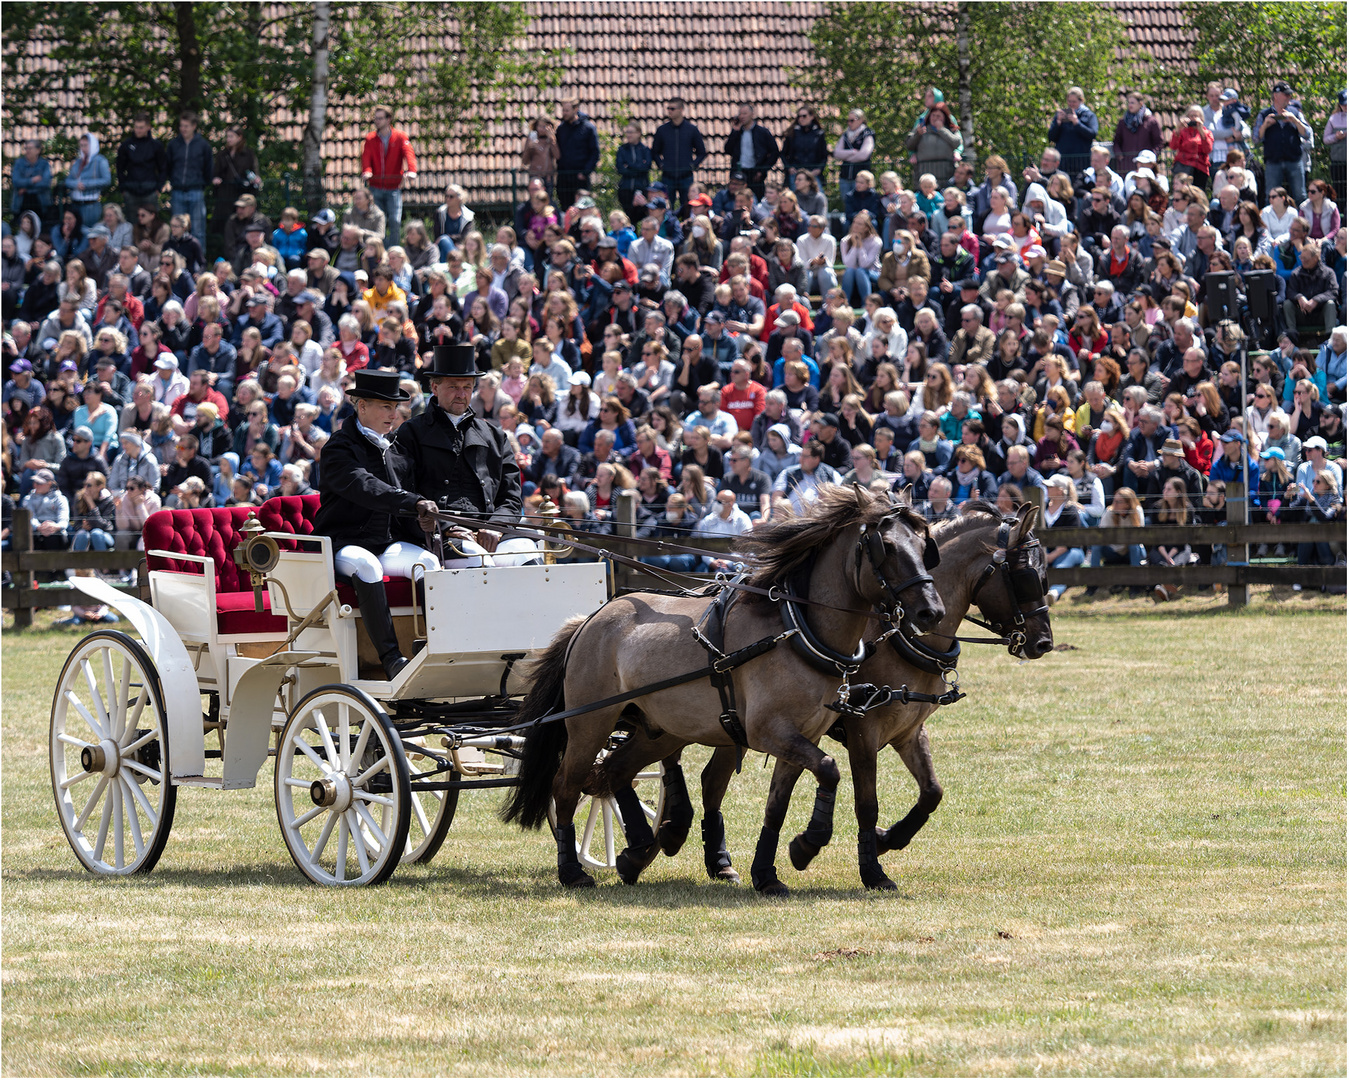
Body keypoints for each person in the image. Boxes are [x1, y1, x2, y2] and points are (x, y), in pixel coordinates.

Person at [312, 368, 435, 680]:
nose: (392, 414)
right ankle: (391, 658)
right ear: (361, 406)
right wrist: (412, 501)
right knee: (367, 566)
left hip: (386, 544)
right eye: (385, 406)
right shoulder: (339, 448)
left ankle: (438, 648)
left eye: (395, 408)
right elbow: (366, 487)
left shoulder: (396, 450)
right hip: (342, 543)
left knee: (428, 563)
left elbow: (410, 497)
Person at [393, 344, 539, 569]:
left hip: (492, 534)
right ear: (434, 387)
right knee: (481, 565)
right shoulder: (411, 433)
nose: (461, 394)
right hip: (440, 535)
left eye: (467, 387)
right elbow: (403, 495)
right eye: (453, 386)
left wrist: (495, 527)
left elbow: (510, 498)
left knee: (530, 558)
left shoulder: (494, 436)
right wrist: (444, 527)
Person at [360, 104, 417, 248]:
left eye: (380, 118)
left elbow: (409, 154)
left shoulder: (400, 137)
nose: (377, 121)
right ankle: (378, 250)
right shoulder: (371, 138)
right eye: (376, 119)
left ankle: (394, 249)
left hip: (393, 188)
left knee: (395, 220)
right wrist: (367, 171)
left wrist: (411, 170)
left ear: (388, 119)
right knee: (377, 221)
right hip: (375, 187)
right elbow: (366, 157)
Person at [1254, 80, 1311, 205]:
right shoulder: (1264, 114)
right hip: (1273, 161)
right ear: (1276, 95)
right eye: (1286, 94)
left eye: (1289, 94)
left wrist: (1295, 121)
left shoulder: (1295, 113)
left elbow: (1307, 133)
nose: (1289, 97)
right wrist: (1265, 125)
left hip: (1294, 161)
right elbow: (1256, 139)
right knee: (1271, 196)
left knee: (1300, 196)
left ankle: (1302, 223)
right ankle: (1270, 224)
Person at [724, 103, 778, 200]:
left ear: (752, 114)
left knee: (757, 197)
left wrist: (762, 170)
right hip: (740, 171)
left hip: (756, 172)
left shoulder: (762, 132)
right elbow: (728, 150)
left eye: (745, 114)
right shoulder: (738, 132)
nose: (742, 117)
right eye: (740, 114)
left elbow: (774, 152)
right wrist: (734, 131)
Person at [554, 98, 600, 211]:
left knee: (583, 208)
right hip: (564, 177)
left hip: (580, 178)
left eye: (567, 111)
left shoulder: (588, 128)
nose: (564, 113)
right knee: (566, 209)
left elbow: (595, 152)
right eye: (563, 110)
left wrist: (585, 172)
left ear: (576, 109)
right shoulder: (561, 129)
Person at [833, 108, 875, 210]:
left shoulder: (867, 134)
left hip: (861, 176)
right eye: (848, 121)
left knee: (862, 203)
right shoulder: (845, 135)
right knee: (847, 203)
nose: (849, 123)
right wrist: (852, 152)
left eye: (852, 120)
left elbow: (864, 155)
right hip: (845, 176)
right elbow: (837, 153)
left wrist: (846, 157)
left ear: (860, 120)